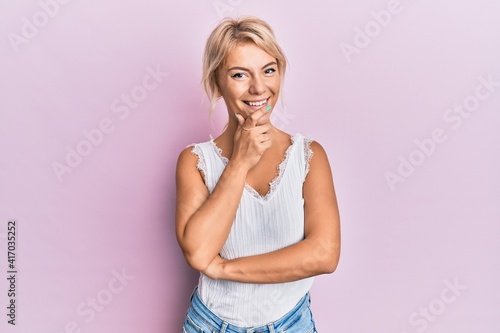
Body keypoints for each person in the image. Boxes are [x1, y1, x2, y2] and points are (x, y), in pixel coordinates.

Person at [175, 16, 341, 333]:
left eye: (268, 70)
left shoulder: (309, 156)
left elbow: (324, 254)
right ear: (217, 83)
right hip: (210, 325)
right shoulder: (195, 161)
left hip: (292, 324)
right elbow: (198, 252)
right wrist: (240, 161)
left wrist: (224, 269)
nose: (258, 88)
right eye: (240, 74)